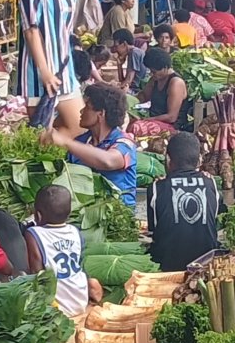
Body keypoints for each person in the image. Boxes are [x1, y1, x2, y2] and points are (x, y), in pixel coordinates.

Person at [18, 0, 78, 127]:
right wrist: (44, 71)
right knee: (39, 131)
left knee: (78, 126)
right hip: (37, 74)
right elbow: (31, 31)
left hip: (64, 72)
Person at [146, 131, 220, 271]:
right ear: (199, 160)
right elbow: (211, 222)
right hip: (205, 266)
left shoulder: (156, 188)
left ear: (168, 159)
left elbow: (154, 230)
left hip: (167, 266)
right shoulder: (212, 184)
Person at [54, 82, 137, 206]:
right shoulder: (80, 142)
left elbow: (108, 161)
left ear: (101, 114)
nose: (81, 111)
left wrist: (65, 142)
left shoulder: (124, 143)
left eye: (87, 107)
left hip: (117, 213)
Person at [25, 183, 95, 318]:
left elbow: (36, 273)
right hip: (80, 300)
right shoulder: (75, 231)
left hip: (57, 308)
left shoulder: (33, 234)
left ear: (38, 215)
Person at [129, 46, 188, 136]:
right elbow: (143, 96)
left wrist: (147, 120)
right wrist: (127, 100)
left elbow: (171, 117)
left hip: (171, 126)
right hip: (154, 119)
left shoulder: (175, 83)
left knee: (137, 127)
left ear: (165, 68)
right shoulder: (155, 79)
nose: (152, 74)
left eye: (154, 72)